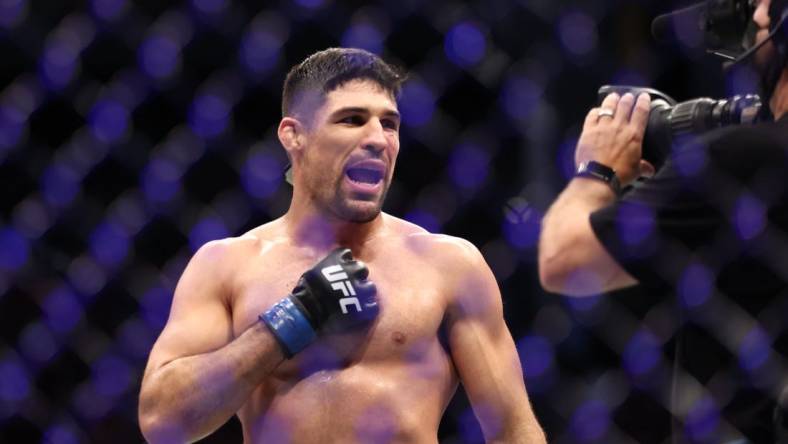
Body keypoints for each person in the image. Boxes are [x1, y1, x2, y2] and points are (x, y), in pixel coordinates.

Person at [138, 47, 546, 443]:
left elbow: (513, 430)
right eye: (352, 120)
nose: (378, 139)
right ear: (294, 135)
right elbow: (162, 421)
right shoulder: (226, 264)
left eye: (389, 124)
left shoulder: (450, 265)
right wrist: (293, 320)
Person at [539, 0, 788, 442]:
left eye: (764, 5)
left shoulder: (745, 158)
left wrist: (598, 168)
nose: (753, 17)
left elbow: (566, 260)